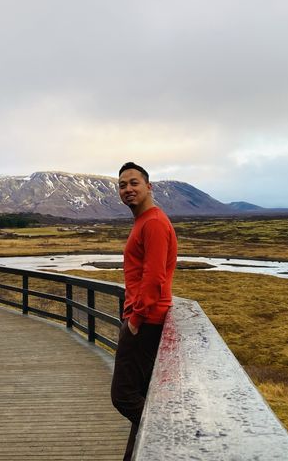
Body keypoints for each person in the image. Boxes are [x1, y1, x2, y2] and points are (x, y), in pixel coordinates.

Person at [111, 161, 178, 461]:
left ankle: (168, 439)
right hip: (146, 318)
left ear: (149, 187)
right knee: (143, 394)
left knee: (124, 395)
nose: (128, 189)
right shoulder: (145, 221)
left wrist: (135, 320)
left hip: (146, 321)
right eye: (123, 185)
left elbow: (154, 278)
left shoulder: (152, 222)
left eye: (134, 183)